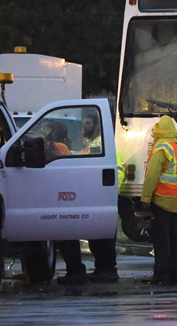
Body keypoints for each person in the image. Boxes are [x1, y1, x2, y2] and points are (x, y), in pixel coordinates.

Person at [57, 108, 118, 285]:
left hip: (98, 194)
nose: (84, 126)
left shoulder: (98, 145)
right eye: (83, 123)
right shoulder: (94, 144)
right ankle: (103, 270)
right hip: (97, 195)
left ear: (98, 126)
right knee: (99, 237)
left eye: (88, 123)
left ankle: (103, 270)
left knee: (99, 238)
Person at [137, 115, 177, 286]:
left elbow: (152, 176)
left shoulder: (161, 148)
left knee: (161, 240)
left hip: (162, 200)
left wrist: (145, 198)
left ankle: (161, 275)